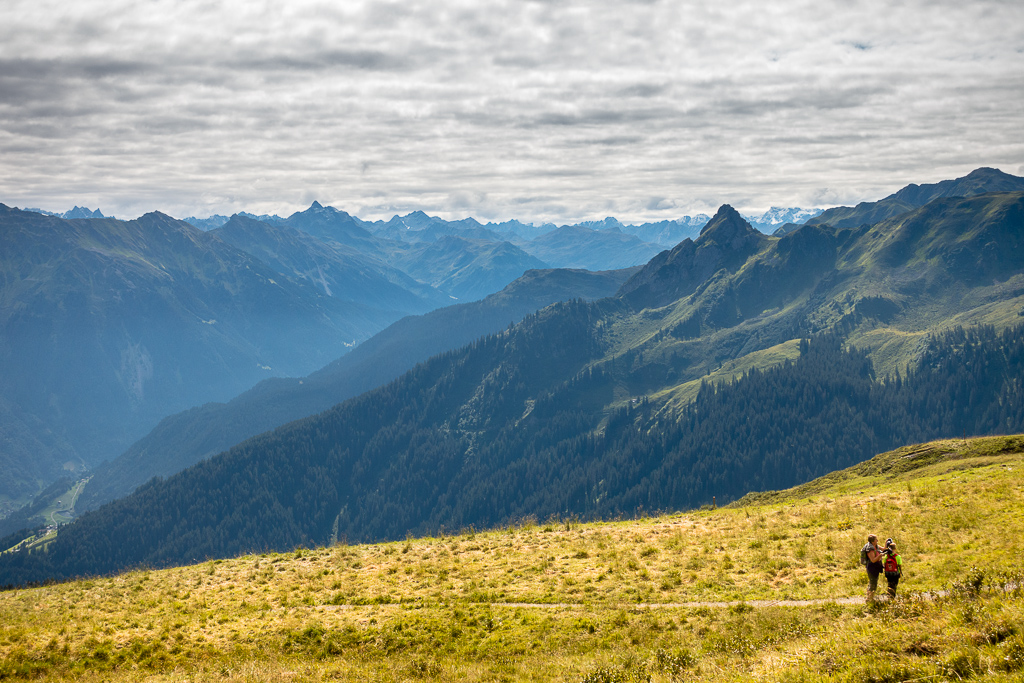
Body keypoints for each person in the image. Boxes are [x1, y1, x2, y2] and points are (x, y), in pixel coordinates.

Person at [861, 533, 884, 602]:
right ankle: (869, 598)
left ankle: (869, 597)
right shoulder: (870, 548)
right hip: (872, 567)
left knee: (873, 582)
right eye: (876, 539)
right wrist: (880, 555)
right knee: (873, 583)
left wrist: (887, 543)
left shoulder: (875, 546)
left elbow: (883, 549)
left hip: (875, 567)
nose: (877, 540)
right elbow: (873, 560)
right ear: (873, 541)